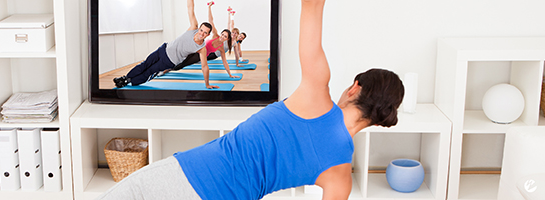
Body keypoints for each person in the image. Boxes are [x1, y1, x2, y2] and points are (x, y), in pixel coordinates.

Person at [97, 0, 404, 199]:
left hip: (192, 175)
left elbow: (311, 6)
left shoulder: (316, 94)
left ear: (355, 88)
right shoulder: (341, 176)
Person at [113, 0, 212, 88]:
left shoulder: (201, 48)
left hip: (170, 61)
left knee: (150, 71)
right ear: (199, 28)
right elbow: (190, 8)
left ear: (208, 35)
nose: (201, 34)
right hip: (163, 49)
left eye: (205, 33)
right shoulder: (193, 28)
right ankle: (125, 77)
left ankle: (129, 81)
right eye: (201, 30)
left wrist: (207, 84)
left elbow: (204, 66)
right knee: (145, 63)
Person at [166, 4, 240, 84]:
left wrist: (230, 74)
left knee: (183, 64)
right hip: (194, 47)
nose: (222, 37)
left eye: (225, 36)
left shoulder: (221, 48)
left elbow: (225, 62)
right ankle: (165, 66)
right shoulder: (215, 35)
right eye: (222, 34)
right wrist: (209, 8)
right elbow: (211, 21)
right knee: (179, 57)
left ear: (227, 39)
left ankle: (166, 70)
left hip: (199, 55)